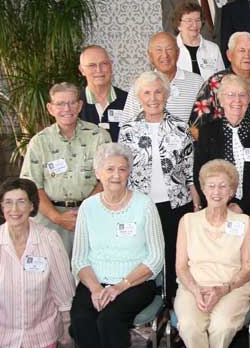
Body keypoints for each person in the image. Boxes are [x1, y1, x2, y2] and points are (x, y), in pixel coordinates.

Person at [193, 74, 250, 337]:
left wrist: (241, 207)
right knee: (223, 265)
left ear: (249, 99)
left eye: (241, 95)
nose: (236, 101)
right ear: (220, 100)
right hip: (217, 214)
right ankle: (219, 317)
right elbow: (201, 173)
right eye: (230, 95)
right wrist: (223, 205)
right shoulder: (208, 133)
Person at [70, 143, 164, 348]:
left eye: (122, 169)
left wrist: (120, 286)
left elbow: (156, 257)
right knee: (81, 320)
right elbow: (79, 258)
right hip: (95, 280)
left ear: (129, 172)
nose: (116, 175)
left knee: (109, 320)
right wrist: (95, 289)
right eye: (109, 169)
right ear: (98, 173)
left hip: (135, 282)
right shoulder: (88, 207)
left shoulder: (144, 204)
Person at [118, 71, 198, 301]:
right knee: (143, 256)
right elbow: (123, 171)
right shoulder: (128, 131)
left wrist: (195, 199)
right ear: (139, 97)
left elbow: (189, 169)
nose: (153, 98)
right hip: (140, 206)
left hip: (175, 205)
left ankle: (175, 307)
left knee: (175, 256)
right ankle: (147, 302)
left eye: (158, 92)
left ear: (167, 94)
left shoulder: (181, 128)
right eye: (147, 93)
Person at [0, 178, 75, 348]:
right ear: (1, 206)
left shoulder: (49, 240)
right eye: (8, 203)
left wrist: (67, 333)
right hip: (1, 337)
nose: (14, 210)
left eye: (21, 202)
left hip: (42, 335)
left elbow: (63, 290)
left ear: (32, 206)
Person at [20, 82, 110, 253]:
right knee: (52, 273)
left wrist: (85, 211)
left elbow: (108, 179)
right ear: (50, 108)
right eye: (60, 104)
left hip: (91, 213)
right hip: (50, 218)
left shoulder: (99, 137)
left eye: (72, 102)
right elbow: (31, 186)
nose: (66, 109)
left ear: (80, 106)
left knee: (90, 271)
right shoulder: (39, 142)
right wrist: (57, 217)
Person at [175, 159, 250, 348]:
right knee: (189, 326)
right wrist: (195, 290)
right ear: (203, 189)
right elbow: (180, 266)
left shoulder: (244, 222)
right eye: (211, 186)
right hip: (193, 287)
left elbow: (247, 268)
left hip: (232, 288)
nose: (216, 192)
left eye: (223, 186)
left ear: (232, 191)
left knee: (222, 326)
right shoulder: (188, 221)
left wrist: (223, 290)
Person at [192, 32, 250, 131]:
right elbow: (194, 128)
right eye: (241, 50)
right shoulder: (215, 84)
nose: (247, 56)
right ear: (229, 55)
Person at [121, 31, 205, 124]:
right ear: (150, 56)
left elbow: (204, 122)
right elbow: (127, 125)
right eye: (159, 50)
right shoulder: (140, 85)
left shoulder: (197, 82)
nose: (165, 55)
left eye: (169, 49)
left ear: (178, 53)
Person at [78, 44, 128, 141]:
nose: (99, 70)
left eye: (104, 64)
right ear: (82, 70)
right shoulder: (75, 104)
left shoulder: (129, 101)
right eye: (92, 65)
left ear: (111, 66)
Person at [173, 2, 226, 80]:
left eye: (198, 20)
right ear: (178, 24)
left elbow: (222, 79)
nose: (194, 25)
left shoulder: (213, 48)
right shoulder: (171, 49)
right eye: (189, 20)